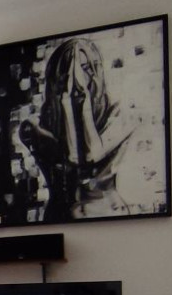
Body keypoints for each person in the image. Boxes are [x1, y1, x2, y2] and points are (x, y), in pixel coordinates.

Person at [18, 37, 133, 222]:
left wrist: (84, 105)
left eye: (85, 68)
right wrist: (67, 102)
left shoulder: (120, 115)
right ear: (56, 76)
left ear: (96, 71)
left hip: (110, 214)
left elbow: (91, 154)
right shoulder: (32, 127)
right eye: (67, 72)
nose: (77, 80)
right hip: (59, 218)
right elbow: (73, 159)